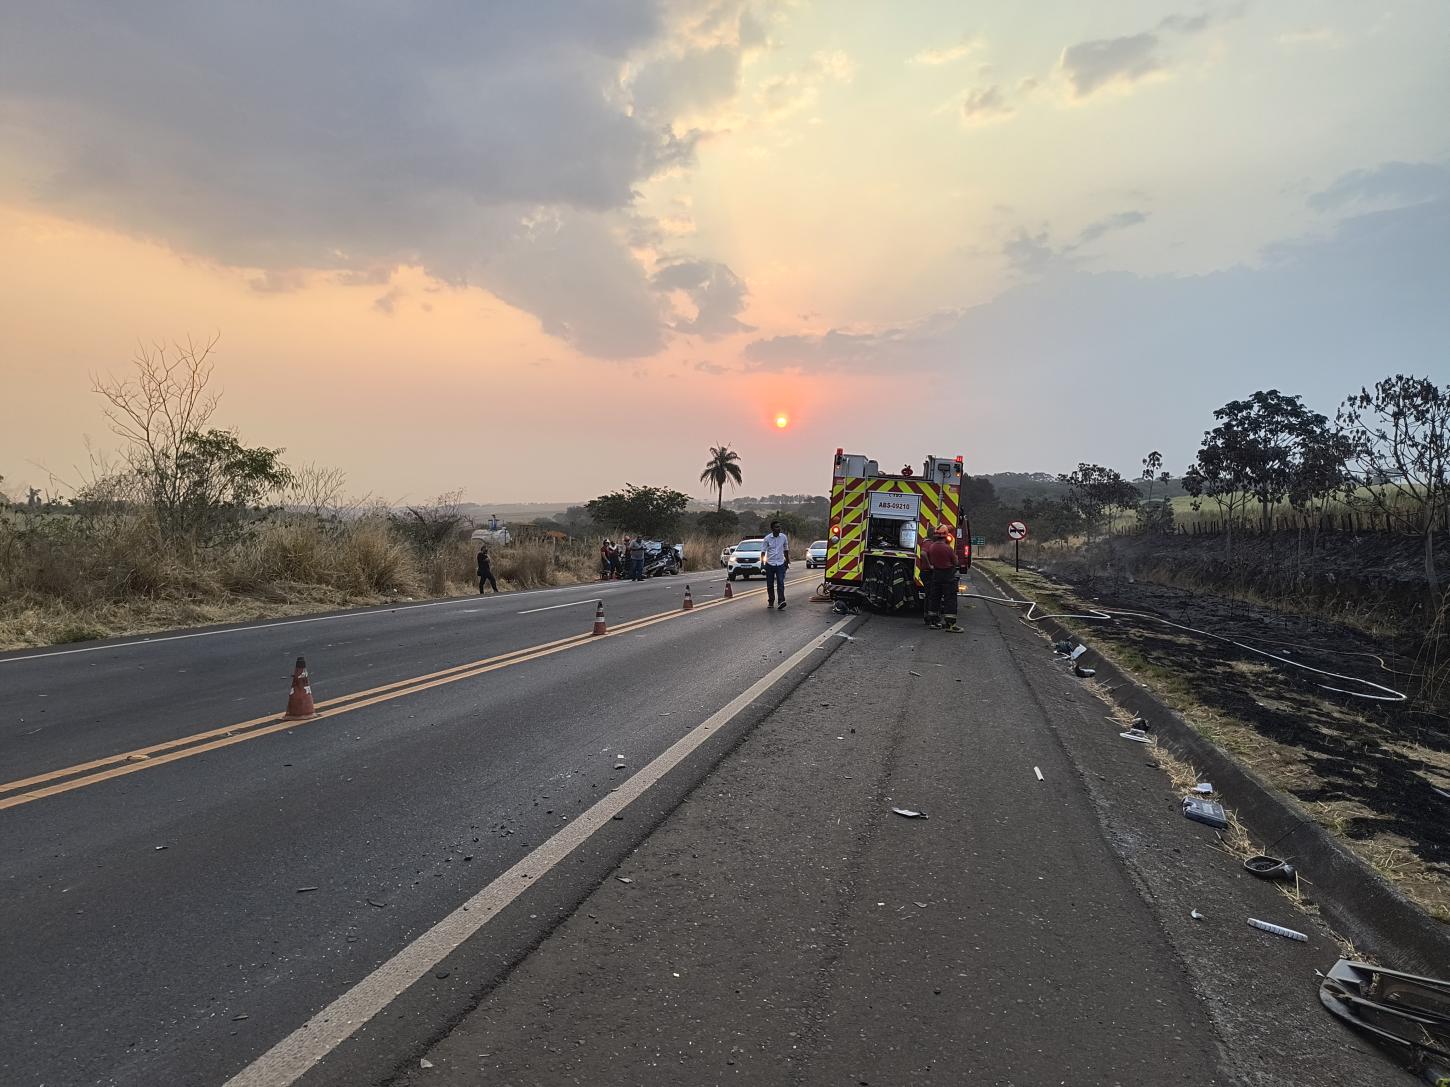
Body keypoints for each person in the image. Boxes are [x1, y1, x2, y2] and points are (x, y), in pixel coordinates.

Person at [923, 525, 962, 632]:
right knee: (950, 599)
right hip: (948, 575)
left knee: (935, 598)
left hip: (936, 574)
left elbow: (928, 557)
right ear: (946, 535)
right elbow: (956, 562)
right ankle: (950, 625)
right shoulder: (948, 548)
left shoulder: (932, 547)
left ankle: (934, 622)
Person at [762, 520, 790, 609]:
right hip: (770, 564)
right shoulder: (767, 538)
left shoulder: (783, 537)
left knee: (780, 583)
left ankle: (781, 601)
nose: (779, 528)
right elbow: (763, 552)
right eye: (776, 527)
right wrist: (763, 565)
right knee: (770, 585)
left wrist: (787, 561)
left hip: (780, 564)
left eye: (779, 527)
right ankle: (771, 601)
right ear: (772, 529)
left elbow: (786, 549)